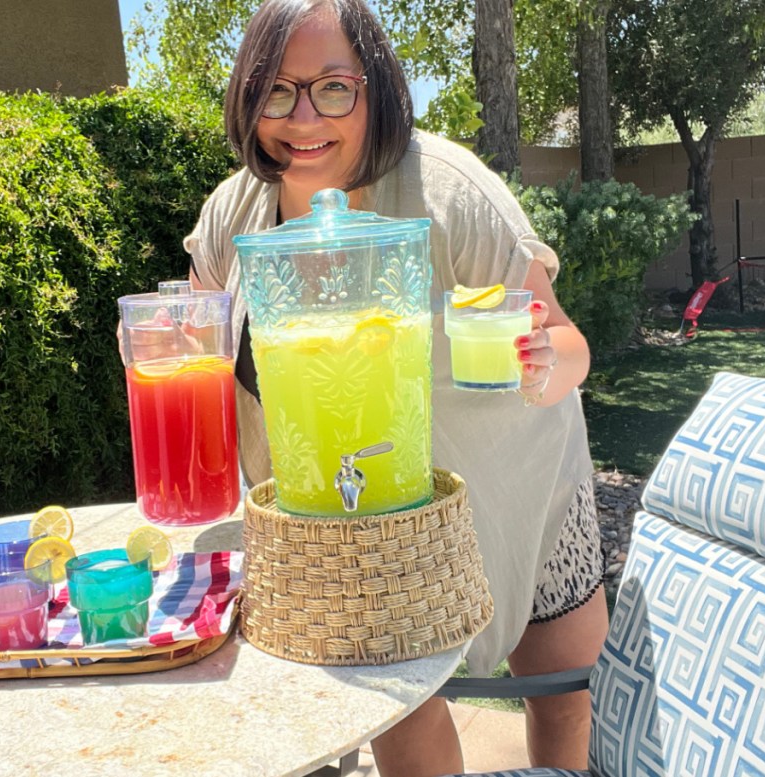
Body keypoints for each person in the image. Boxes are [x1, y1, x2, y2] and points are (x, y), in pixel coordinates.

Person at [183, 0, 609, 773]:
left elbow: (569, 340)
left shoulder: (445, 192)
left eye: (333, 87)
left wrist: (548, 360)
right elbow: (195, 337)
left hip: (518, 483)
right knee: (395, 709)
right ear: (247, 99)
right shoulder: (232, 216)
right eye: (276, 91)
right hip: (354, 514)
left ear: (375, 86)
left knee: (560, 694)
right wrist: (164, 342)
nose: (302, 116)